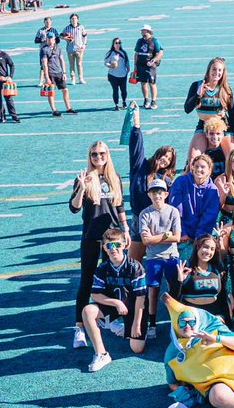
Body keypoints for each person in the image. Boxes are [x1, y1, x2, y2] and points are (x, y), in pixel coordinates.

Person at [69, 140, 129, 348]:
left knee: (111, 279)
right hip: (91, 238)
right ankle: (79, 327)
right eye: (94, 154)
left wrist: (126, 229)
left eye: (101, 153)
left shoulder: (115, 178)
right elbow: (74, 208)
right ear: (90, 156)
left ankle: (109, 319)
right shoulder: (84, 178)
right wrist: (82, 188)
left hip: (111, 238)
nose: (98, 157)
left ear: (107, 154)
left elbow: (119, 205)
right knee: (87, 280)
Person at [80, 229, 147, 372]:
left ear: (124, 245)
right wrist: (116, 303)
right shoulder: (103, 267)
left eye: (117, 245)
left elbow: (141, 298)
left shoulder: (135, 267)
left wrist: (136, 324)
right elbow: (95, 295)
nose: (113, 249)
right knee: (88, 310)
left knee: (136, 348)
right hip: (116, 306)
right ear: (104, 248)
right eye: (109, 246)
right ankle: (101, 353)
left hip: (134, 308)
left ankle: (123, 326)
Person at [138, 178, 182, 339]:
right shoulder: (145, 214)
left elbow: (177, 237)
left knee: (174, 289)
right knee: (153, 291)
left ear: (166, 194)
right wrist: (165, 235)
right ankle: (152, 323)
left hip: (171, 256)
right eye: (154, 192)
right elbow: (145, 241)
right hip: (153, 257)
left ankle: (175, 321)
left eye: (160, 192)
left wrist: (155, 237)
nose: (157, 195)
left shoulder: (173, 211)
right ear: (149, 195)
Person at [38, 30, 76, 116]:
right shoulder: (44, 50)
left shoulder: (58, 48)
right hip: (50, 73)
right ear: (46, 39)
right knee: (51, 92)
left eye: (51, 38)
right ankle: (54, 110)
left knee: (65, 90)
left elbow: (62, 60)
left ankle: (68, 108)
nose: (50, 40)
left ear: (54, 38)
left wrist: (64, 73)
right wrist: (47, 77)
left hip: (58, 72)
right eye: (48, 38)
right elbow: (44, 64)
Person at [133, 24, 164, 108]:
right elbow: (136, 53)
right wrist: (135, 65)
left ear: (148, 31)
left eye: (143, 30)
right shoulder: (139, 41)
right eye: (142, 30)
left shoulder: (155, 41)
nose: (142, 32)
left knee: (152, 83)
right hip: (141, 65)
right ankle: (146, 100)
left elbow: (160, 52)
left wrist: (153, 60)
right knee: (143, 83)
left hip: (150, 66)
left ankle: (153, 101)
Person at [103, 37, 130, 110]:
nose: (118, 44)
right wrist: (111, 65)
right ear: (113, 44)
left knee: (123, 90)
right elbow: (106, 63)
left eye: (119, 43)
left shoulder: (123, 52)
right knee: (115, 90)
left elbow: (127, 61)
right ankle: (116, 104)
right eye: (116, 43)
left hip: (123, 74)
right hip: (113, 75)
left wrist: (128, 68)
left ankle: (124, 102)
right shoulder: (110, 53)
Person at [61, 13, 88, 84]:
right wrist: (66, 38)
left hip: (79, 48)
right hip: (70, 49)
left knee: (79, 64)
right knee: (71, 64)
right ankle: (73, 79)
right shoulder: (67, 28)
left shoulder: (81, 27)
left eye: (75, 18)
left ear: (77, 19)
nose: (74, 20)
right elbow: (61, 35)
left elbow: (85, 36)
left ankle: (81, 78)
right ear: (70, 20)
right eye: (72, 18)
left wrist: (84, 44)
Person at [0, 47, 18, 123]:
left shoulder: (3, 55)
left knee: (8, 98)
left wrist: (10, 77)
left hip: (5, 81)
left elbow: (12, 65)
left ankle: (14, 116)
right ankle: (2, 116)